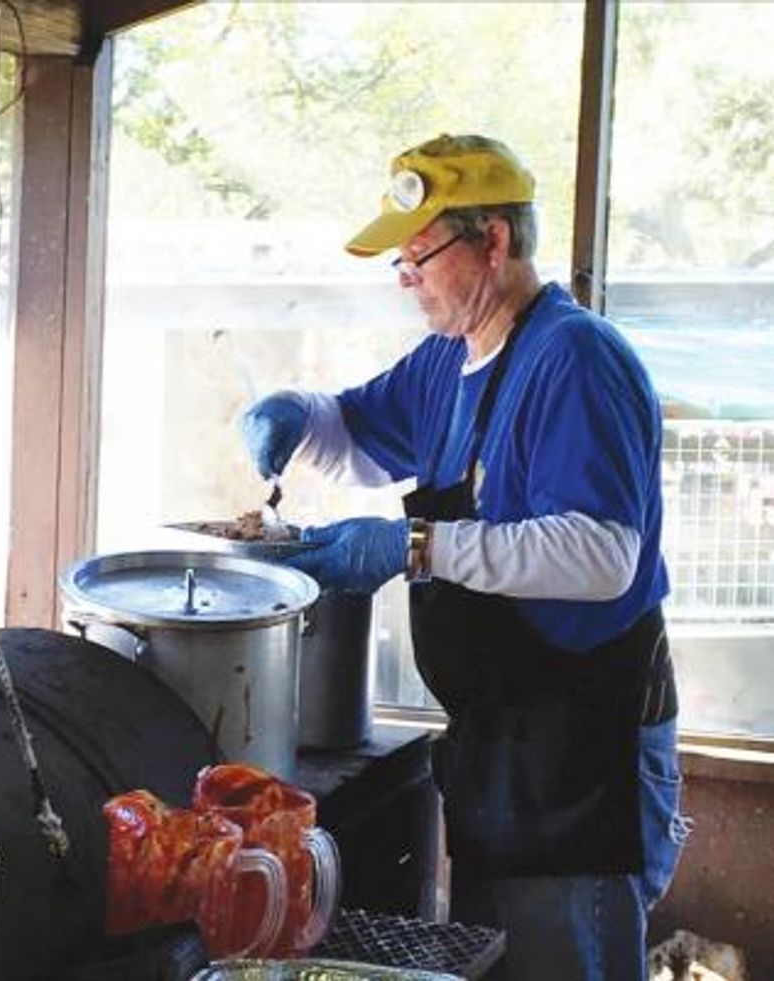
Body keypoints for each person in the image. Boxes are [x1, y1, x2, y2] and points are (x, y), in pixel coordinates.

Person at [241, 134, 687, 981]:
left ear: (495, 241)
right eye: (400, 263)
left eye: (421, 256)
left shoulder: (573, 358)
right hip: (501, 738)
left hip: (581, 748)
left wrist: (413, 546)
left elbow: (602, 555)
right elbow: (359, 437)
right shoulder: (452, 358)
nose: (407, 279)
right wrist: (296, 414)